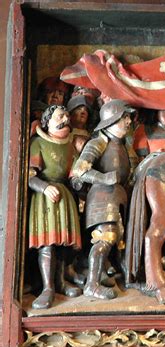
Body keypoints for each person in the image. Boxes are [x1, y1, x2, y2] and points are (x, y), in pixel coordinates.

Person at [72, 99, 137, 299]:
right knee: (105, 239)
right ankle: (91, 284)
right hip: (101, 197)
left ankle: (116, 276)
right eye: (124, 117)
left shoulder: (125, 145)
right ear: (112, 120)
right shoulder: (99, 141)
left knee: (119, 241)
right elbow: (80, 169)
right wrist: (103, 177)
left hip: (118, 197)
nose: (128, 121)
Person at [28, 105, 82, 309]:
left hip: (65, 196)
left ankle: (60, 282)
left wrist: (81, 180)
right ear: (47, 122)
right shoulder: (38, 143)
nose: (65, 119)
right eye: (60, 116)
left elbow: (74, 174)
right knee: (48, 243)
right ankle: (47, 287)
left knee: (63, 245)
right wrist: (44, 187)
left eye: (67, 116)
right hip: (44, 197)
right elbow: (29, 175)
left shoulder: (69, 146)